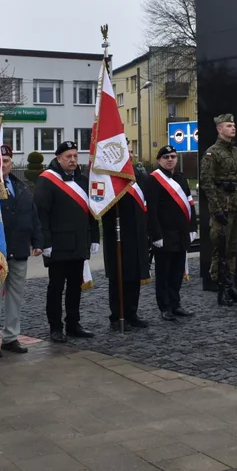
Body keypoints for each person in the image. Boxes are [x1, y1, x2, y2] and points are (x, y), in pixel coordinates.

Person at [34, 140, 101, 343]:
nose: (72, 160)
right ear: (58, 158)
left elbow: (92, 210)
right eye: (68, 157)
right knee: (56, 288)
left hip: (79, 243)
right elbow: (41, 214)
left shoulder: (82, 180)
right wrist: (45, 242)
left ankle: (73, 323)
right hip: (57, 246)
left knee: (75, 287)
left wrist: (95, 237)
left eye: (74, 156)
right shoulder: (47, 180)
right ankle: (55, 327)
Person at [0, 144, 43, 358]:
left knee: (15, 296)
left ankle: (10, 337)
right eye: (0, 161)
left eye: (6, 161)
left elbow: (33, 217)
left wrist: (37, 242)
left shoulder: (21, 187)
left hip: (19, 250)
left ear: (12, 163)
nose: (3, 165)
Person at [200, 114, 237, 306]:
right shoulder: (212, 153)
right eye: (229, 125)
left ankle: (231, 285)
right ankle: (221, 287)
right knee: (219, 249)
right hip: (223, 207)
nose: (233, 128)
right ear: (219, 129)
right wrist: (216, 209)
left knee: (232, 249)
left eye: (234, 125)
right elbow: (206, 183)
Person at [145, 145, 198, 321]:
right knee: (164, 274)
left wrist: (193, 228)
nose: (170, 159)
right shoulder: (153, 180)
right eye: (166, 157)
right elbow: (151, 210)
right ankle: (165, 307)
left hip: (181, 233)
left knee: (176, 272)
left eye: (173, 156)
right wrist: (156, 235)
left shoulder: (180, 178)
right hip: (164, 235)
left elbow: (190, 205)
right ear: (159, 160)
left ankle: (176, 304)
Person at [101, 171, 150, 331]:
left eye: (130, 152)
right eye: (126, 152)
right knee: (119, 276)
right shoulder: (110, 178)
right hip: (118, 235)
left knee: (135, 274)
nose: (130, 155)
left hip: (137, 233)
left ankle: (131, 313)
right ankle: (116, 315)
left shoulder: (139, 177)